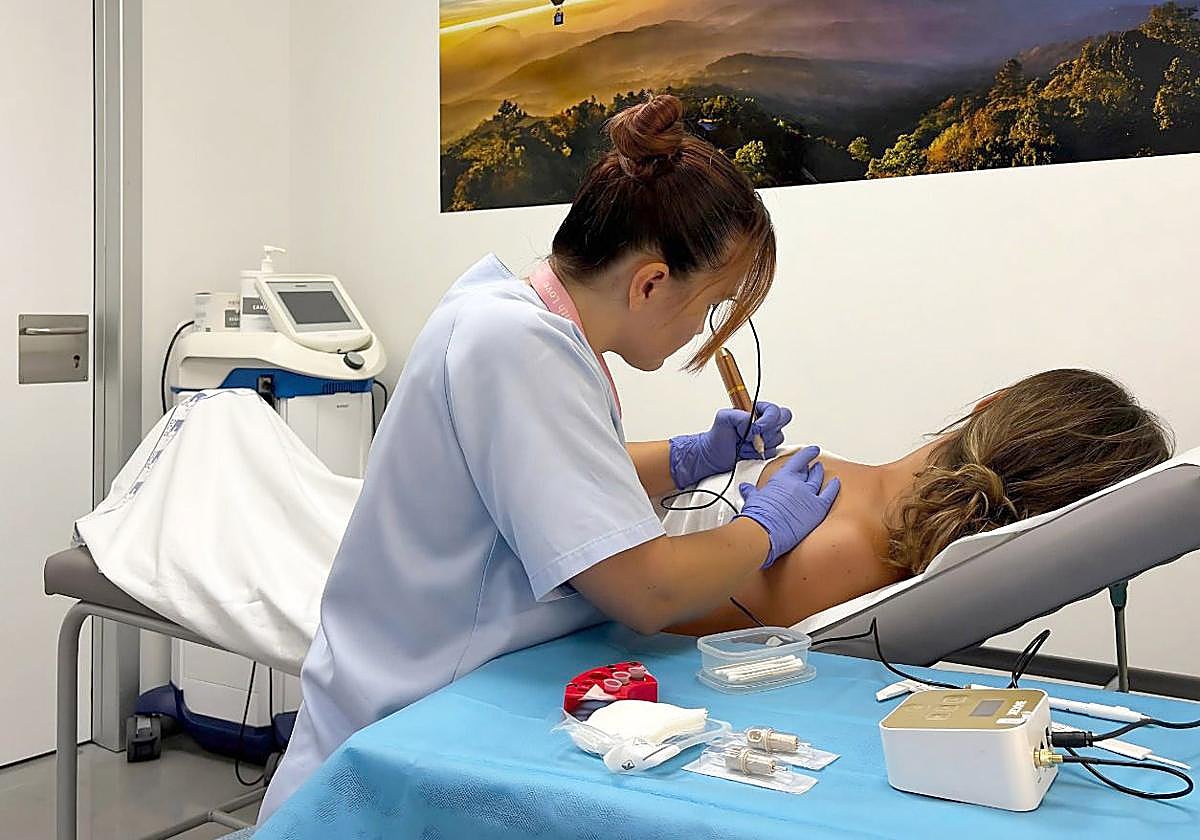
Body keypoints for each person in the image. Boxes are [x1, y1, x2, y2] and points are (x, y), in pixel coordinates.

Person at [259, 94, 840, 822]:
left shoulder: (516, 321)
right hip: (407, 728)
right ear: (651, 282)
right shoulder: (516, 346)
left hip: (455, 690)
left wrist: (692, 458)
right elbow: (647, 592)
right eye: (712, 305)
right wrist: (767, 524)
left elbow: (556, 480)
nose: (704, 330)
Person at [667, 369, 1173, 635]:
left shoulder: (844, 545)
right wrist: (683, 459)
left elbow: (641, 614)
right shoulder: (856, 513)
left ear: (989, 404)